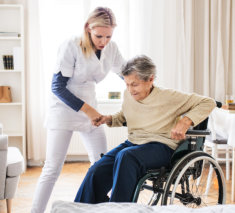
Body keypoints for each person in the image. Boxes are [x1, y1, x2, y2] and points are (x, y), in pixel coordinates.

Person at [74, 55, 216, 203]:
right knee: (97, 170)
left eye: (134, 84)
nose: (130, 90)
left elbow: (208, 102)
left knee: (126, 157)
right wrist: (108, 118)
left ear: (150, 80)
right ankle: (81, 209)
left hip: (162, 146)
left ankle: (117, 210)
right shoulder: (129, 95)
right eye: (127, 84)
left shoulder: (168, 97)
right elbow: (125, 115)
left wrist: (185, 122)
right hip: (133, 144)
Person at [31, 7, 125, 213]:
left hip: (91, 108)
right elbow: (57, 87)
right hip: (64, 109)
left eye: (108, 36)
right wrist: (89, 111)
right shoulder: (71, 45)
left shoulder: (111, 48)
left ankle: (100, 209)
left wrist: (145, 82)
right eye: (99, 35)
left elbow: (126, 72)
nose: (103, 41)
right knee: (52, 169)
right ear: (88, 29)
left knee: (101, 165)